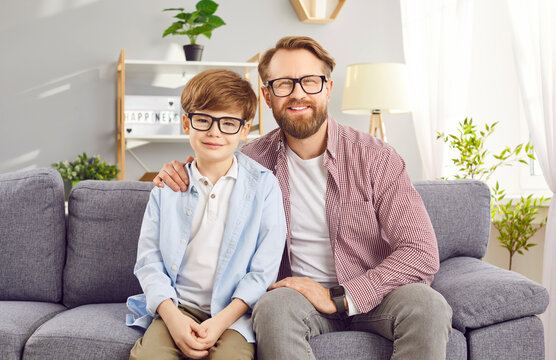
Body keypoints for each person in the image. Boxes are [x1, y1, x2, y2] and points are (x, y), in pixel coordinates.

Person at [153, 36, 452, 360]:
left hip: (375, 296)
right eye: (283, 84)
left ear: (327, 88)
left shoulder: (375, 158)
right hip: (294, 299)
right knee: (272, 309)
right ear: (267, 95)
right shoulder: (252, 161)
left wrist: (340, 296)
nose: (298, 93)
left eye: (310, 81)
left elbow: (420, 251)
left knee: (428, 305)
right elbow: (210, 156)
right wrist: (176, 169)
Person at [126, 69, 287, 360]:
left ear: (244, 128)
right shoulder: (166, 187)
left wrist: (220, 322)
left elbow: (263, 271)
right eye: (203, 120)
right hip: (177, 307)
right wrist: (172, 318)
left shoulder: (264, 186)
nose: (214, 132)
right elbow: (149, 262)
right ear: (186, 123)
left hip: (235, 313)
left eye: (228, 123)